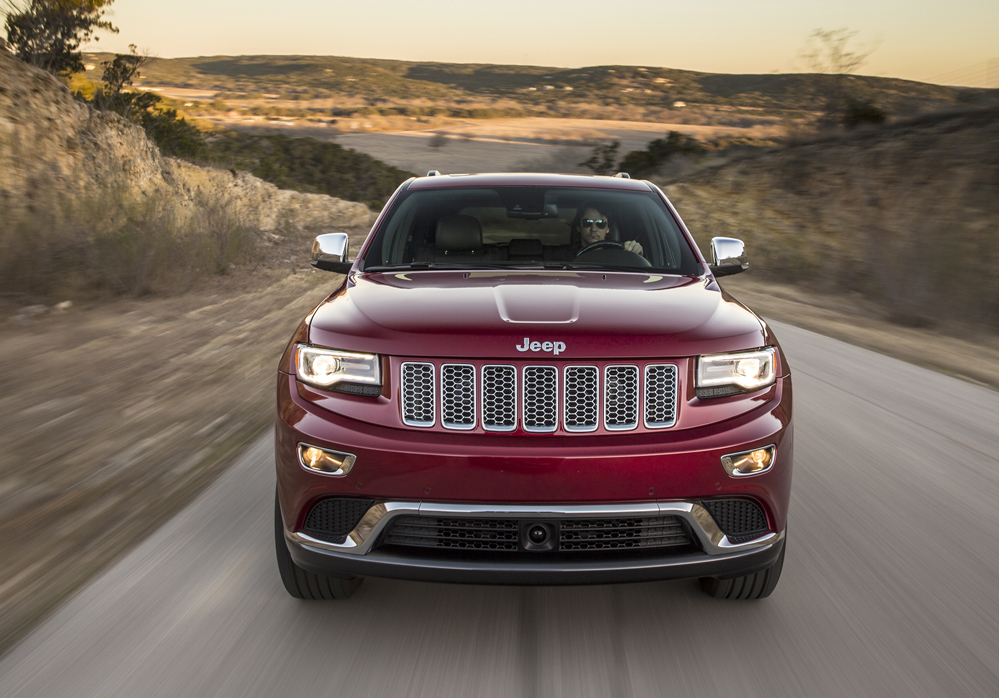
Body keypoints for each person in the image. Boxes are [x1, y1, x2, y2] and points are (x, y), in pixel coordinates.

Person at [570, 205, 644, 257]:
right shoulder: (563, 257)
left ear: (608, 228)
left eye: (601, 223)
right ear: (578, 227)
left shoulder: (620, 256)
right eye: (587, 222)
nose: (593, 229)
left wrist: (637, 253)